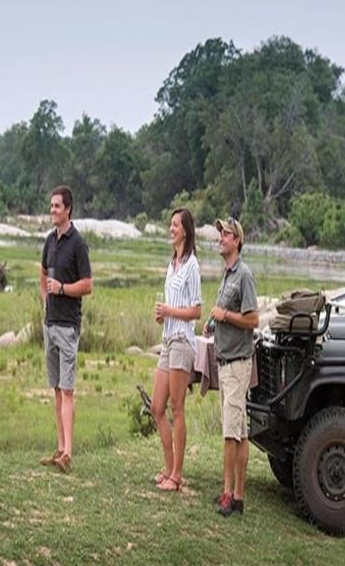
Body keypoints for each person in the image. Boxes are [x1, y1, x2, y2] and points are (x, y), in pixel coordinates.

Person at [207, 217, 259, 516]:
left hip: (238, 365)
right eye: (220, 234)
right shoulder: (227, 275)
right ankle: (238, 496)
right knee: (239, 431)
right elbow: (226, 313)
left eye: (225, 234)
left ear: (237, 240)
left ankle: (228, 494)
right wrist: (214, 323)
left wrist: (224, 315)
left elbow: (253, 320)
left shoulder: (244, 275)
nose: (220, 238)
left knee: (230, 433)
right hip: (225, 361)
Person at [39, 185, 93, 473]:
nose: (52, 210)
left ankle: (69, 452)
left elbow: (87, 285)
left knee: (68, 390)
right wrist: (45, 301)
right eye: (51, 206)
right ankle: (59, 449)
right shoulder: (50, 240)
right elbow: (42, 272)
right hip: (50, 324)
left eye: (57, 206)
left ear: (68, 209)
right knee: (57, 390)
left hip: (68, 326)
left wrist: (61, 289)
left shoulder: (78, 243)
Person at [150, 207, 202, 492]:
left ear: (186, 231)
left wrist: (170, 311)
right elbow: (171, 308)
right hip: (168, 339)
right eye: (170, 224)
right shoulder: (173, 264)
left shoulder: (192, 266)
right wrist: (163, 315)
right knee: (157, 407)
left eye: (175, 225)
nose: (171, 229)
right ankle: (169, 467)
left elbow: (196, 311)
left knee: (176, 407)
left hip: (183, 341)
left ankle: (177, 475)